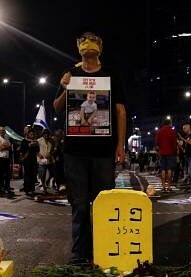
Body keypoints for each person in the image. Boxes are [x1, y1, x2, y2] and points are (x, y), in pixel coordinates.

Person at [53, 31, 127, 263]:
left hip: (103, 152)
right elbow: (56, 107)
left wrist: (120, 145)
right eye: (84, 41)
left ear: (100, 48)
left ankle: (103, 250)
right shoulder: (71, 75)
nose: (88, 44)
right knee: (80, 205)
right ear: (78, 48)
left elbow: (120, 111)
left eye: (93, 40)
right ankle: (79, 254)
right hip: (75, 151)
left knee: (103, 203)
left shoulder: (110, 76)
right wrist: (65, 88)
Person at [155, 118, 178, 192]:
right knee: (169, 169)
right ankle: (169, 186)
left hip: (162, 153)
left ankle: (163, 186)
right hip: (171, 153)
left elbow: (157, 142)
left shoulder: (159, 131)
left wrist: (159, 150)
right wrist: (175, 152)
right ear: (170, 123)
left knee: (163, 170)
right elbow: (174, 143)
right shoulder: (172, 131)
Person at [0, 127, 11, 196]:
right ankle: (2, 190)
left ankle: (7, 188)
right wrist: (6, 146)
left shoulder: (7, 139)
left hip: (6, 158)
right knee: (1, 175)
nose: (2, 132)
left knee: (7, 175)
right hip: (0, 158)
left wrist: (5, 146)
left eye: (3, 130)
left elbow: (10, 147)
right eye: (1, 130)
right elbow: (1, 148)